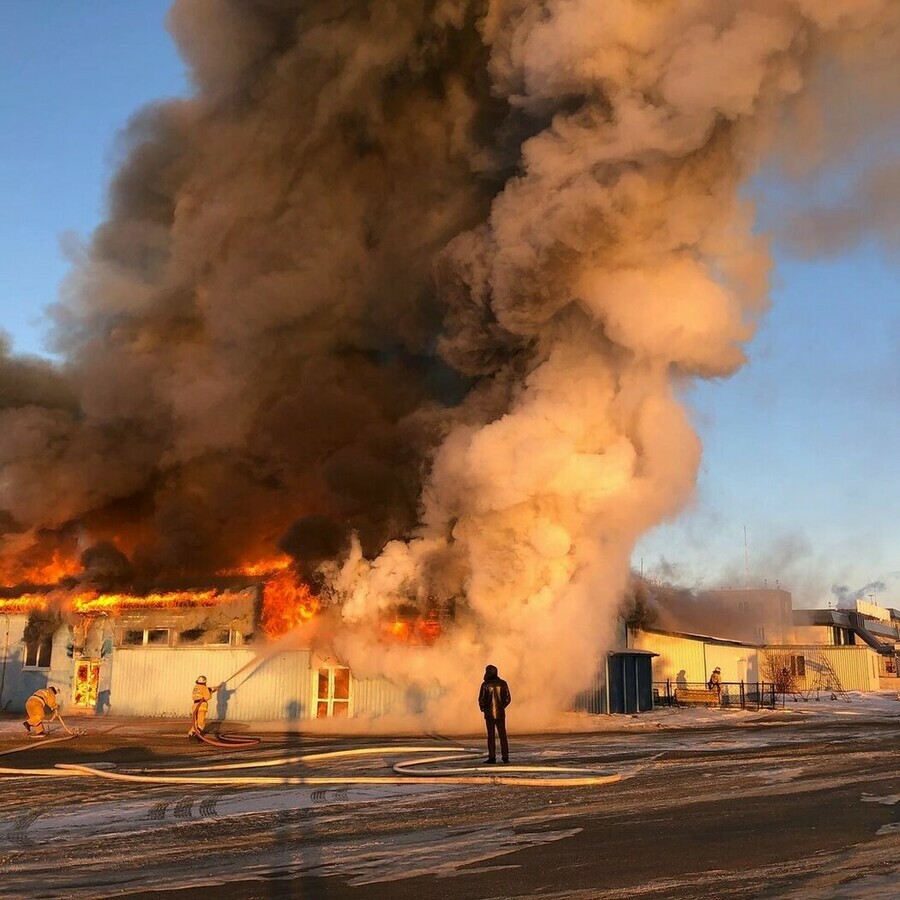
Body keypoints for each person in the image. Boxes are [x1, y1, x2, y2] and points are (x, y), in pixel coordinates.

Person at [478, 664, 511, 764]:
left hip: (489, 715)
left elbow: (481, 700)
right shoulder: (503, 683)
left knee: (491, 736)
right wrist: (501, 707)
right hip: (501, 713)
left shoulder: (485, 685)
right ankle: (505, 757)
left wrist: (484, 709)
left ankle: (492, 757)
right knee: (503, 735)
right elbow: (508, 699)